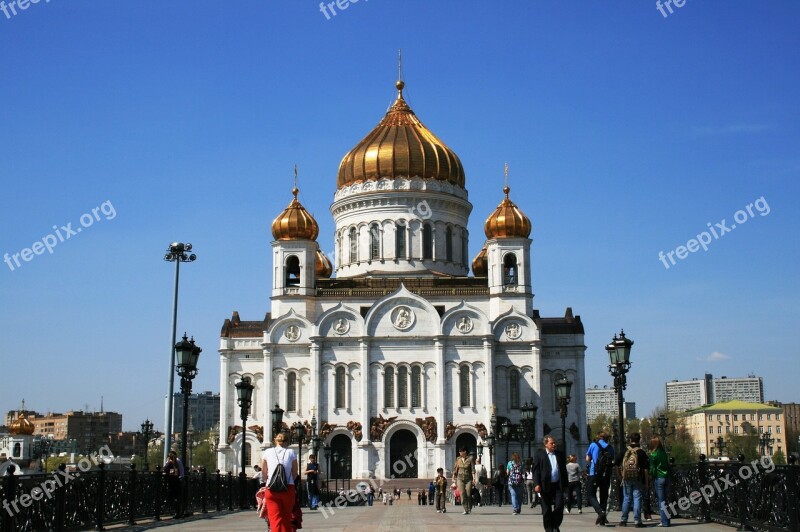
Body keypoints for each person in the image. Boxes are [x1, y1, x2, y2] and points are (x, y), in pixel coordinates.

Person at [260, 432, 299, 532]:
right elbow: (295, 473)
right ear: (287, 442)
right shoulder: (291, 453)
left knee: (274, 520)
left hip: (271, 489)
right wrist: (288, 481)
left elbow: (263, 472)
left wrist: (267, 481)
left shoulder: (267, 452)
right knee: (286, 519)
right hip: (288, 488)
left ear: (275, 440)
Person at [532, 434, 568, 532]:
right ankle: (549, 529)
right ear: (546, 444)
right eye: (551, 443)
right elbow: (536, 470)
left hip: (557, 485)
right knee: (546, 510)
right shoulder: (540, 455)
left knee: (559, 506)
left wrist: (566, 486)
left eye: (554, 443)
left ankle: (555, 525)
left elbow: (563, 470)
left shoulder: (559, 454)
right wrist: (537, 484)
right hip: (545, 486)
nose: (554, 444)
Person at [616, 432, 650, 528]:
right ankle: (637, 521)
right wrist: (646, 481)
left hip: (626, 477)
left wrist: (620, 476)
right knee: (637, 498)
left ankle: (623, 520)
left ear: (630, 440)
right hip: (638, 477)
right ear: (639, 440)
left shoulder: (624, 451)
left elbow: (616, 463)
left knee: (626, 498)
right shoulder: (641, 452)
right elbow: (646, 467)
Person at [585, 430, 614, 526]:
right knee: (604, 496)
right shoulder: (611, 448)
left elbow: (587, 459)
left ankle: (600, 512)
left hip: (595, 473)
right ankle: (602, 518)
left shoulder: (593, 445)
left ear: (598, 437)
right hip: (606, 474)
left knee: (590, 493)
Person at [649, 435, 671, 528]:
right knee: (666, 500)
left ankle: (664, 521)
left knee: (661, 501)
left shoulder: (653, 454)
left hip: (659, 477)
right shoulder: (663, 453)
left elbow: (652, 468)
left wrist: (651, 476)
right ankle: (667, 519)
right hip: (667, 477)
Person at [452, 446, 474, 515]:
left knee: (468, 494)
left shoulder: (470, 459)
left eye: (460, 451)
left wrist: (474, 478)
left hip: (468, 479)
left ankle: (469, 506)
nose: (459, 452)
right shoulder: (458, 459)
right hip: (460, 478)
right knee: (462, 493)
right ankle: (465, 508)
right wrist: (453, 476)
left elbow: (473, 470)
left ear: (464, 452)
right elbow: (455, 468)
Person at [163, 451, 185, 519]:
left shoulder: (169, 463)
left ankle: (173, 511)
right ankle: (179, 512)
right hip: (177, 482)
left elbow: (165, 469)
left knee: (171, 497)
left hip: (172, 483)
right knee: (177, 497)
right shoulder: (176, 463)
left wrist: (167, 462)